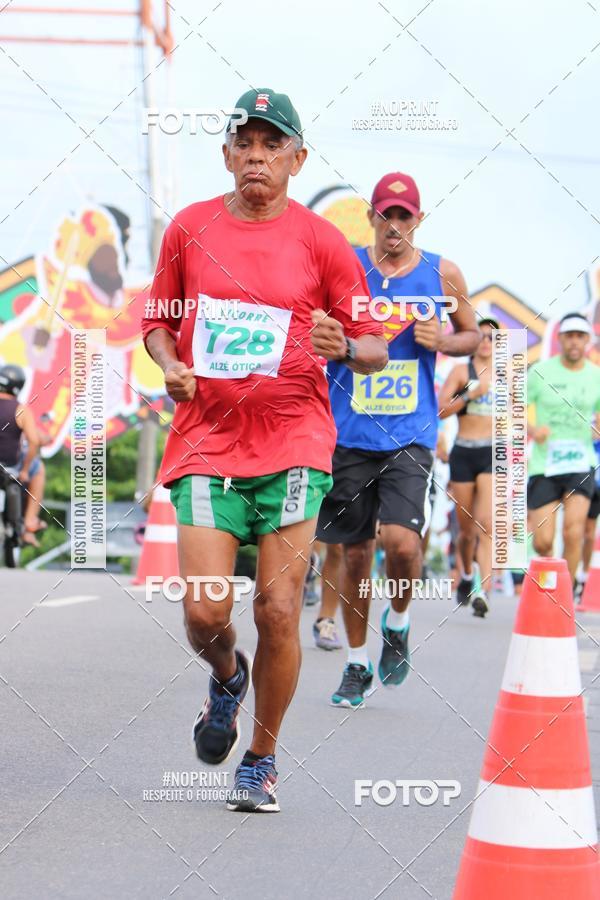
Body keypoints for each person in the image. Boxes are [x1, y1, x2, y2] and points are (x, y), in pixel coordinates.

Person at [141, 88, 387, 813]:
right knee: (204, 616)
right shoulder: (190, 228)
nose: (256, 154)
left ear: (297, 158)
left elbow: (372, 341)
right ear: (225, 154)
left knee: (278, 607)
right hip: (208, 441)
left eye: (271, 143)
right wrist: (168, 362)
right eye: (244, 142)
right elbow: (158, 319)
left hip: (294, 442)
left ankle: (261, 757)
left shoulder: (322, 241)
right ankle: (224, 674)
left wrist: (348, 346)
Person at [316, 171, 480, 707]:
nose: (394, 225)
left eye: (403, 216)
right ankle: (357, 663)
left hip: (410, 433)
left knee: (402, 545)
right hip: (348, 434)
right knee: (356, 555)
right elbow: (313, 325)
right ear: (370, 216)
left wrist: (447, 340)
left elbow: (474, 334)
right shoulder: (345, 267)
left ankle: (400, 620)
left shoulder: (441, 272)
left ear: (418, 219)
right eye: (385, 214)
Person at [527, 312, 600, 584]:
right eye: (569, 336)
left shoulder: (596, 376)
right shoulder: (540, 372)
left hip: (579, 463)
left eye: (580, 337)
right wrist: (533, 430)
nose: (574, 342)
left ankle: (565, 592)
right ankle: (550, 579)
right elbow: (514, 406)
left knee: (574, 531)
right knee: (543, 542)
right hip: (544, 465)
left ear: (587, 341)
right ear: (560, 339)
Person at [438, 317, 498, 617]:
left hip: (492, 452)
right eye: (482, 336)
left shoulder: (508, 374)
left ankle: (482, 589)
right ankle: (464, 574)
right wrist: (469, 394)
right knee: (465, 532)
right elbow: (441, 408)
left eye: (492, 337)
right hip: (463, 451)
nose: (486, 341)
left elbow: (519, 417)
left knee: (485, 523)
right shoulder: (462, 371)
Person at [0, 364, 40, 535]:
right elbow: (34, 442)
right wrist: (24, 470)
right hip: (11, 467)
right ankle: (30, 519)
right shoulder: (20, 410)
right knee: (39, 469)